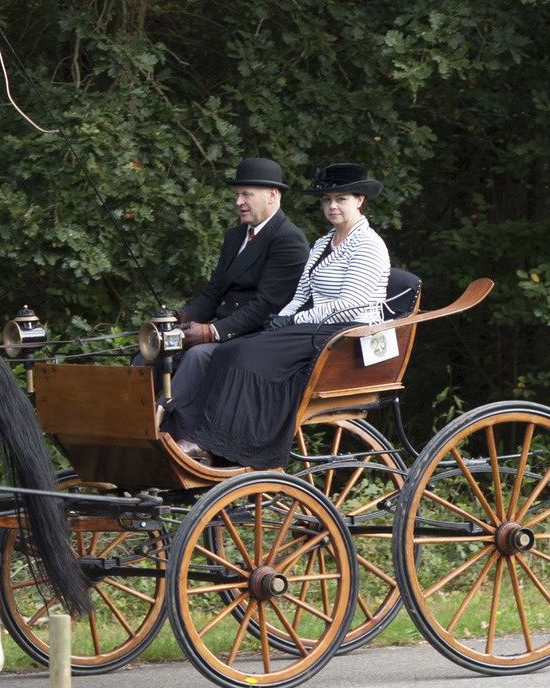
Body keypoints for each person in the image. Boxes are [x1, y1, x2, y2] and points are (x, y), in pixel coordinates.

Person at [163, 162, 390, 469]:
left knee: (247, 354)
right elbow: (301, 292)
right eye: (327, 200)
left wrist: (295, 320)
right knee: (231, 349)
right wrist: (283, 317)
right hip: (314, 325)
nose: (332, 206)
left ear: (360, 200)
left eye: (341, 199)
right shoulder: (324, 243)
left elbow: (350, 303)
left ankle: (229, 445)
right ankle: (199, 437)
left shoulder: (368, 245)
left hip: (346, 331)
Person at [152, 156, 309, 407]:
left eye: (246, 195)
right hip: (227, 331)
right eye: (238, 195)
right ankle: (136, 421)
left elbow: (266, 305)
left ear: (272, 195)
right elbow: (214, 291)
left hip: (258, 337)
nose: (239, 202)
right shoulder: (236, 235)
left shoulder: (289, 240)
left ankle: (170, 422)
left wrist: (211, 332)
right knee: (154, 350)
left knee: (197, 355)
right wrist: (178, 318)